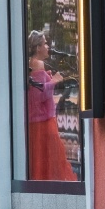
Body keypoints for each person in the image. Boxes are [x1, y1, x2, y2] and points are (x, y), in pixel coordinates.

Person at [26, 31, 78, 181]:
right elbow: (39, 95)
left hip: (35, 122)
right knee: (54, 159)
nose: (48, 46)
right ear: (38, 48)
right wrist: (54, 80)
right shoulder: (37, 64)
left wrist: (47, 76)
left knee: (40, 160)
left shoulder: (32, 65)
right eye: (45, 43)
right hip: (43, 122)